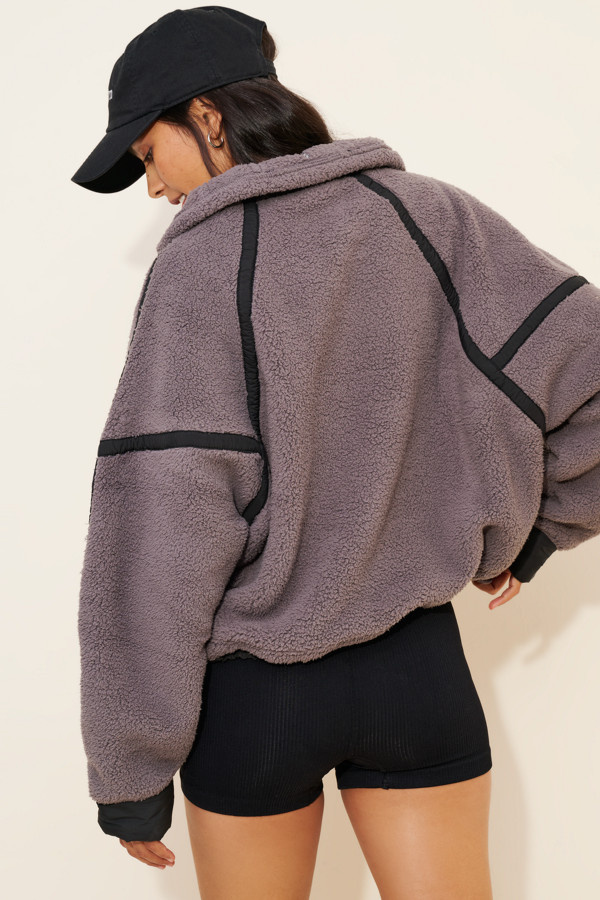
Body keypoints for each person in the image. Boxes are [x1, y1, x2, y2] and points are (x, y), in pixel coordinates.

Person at [71, 7, 600, 899]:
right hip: (418, 674)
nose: (152, 186)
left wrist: (130, 766)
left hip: (255, 700)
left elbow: (161, 522)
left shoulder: (198, 266)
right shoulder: (430, 217)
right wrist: (544, 529)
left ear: (208, 118)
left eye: (147, 153)